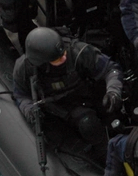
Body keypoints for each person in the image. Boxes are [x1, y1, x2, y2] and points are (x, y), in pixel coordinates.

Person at [13, 27, 123, 155]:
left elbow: (111, 69)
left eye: (63, 53)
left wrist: (113, 91)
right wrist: (29, 109)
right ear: (42, 62)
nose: (64, 58)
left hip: (89, 97)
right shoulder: (24, 69)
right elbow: (20, 95)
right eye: (57, 59)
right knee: (78, 127)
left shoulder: (78, 52)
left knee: (92, 122)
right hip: (61, 109)